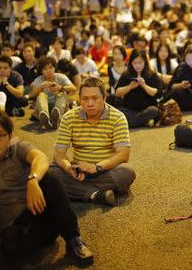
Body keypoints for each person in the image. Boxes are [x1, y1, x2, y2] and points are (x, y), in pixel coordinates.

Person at [0, 111, 93, 269]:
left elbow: (39, 157)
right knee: (13, 252)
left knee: (49, 177)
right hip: (12, 229)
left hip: (39, 217)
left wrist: (33, 180)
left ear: (9, 136)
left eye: (0, 135)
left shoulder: (18, 149)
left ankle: (73, 239)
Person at [52, 77, 136, 206]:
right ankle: (96, 194)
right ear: (79, 99)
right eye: (85, 99)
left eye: (95, 98)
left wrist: (96, 167)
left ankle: (78, 191)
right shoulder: (68, 118)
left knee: (126, 172)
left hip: (105, 170)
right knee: (49, 172)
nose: (90, 103)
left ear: (105, 97)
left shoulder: (118, 117)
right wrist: (67, 167)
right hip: (78, 171)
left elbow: (123, 155)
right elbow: (59, 153)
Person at [115, 50, 163, 128]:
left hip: (146, 110)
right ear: (131, 63)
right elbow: (117, 93)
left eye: (140, 63)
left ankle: (132, 123)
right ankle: (142, 122)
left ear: (145, 62)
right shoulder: (126, 74)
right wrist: (130, 87)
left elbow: (159, 94)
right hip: (130, 110)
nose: (137, 65)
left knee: (154, 111)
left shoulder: (152, 74)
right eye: (135, 63)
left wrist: (144, 86)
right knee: (117, 112)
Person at [29, 57, 76, 129]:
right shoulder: (39, 79)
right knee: (41, 95)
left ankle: (57, 117)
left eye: (50, 68)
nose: (49, 71)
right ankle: (45, 118)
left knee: (61, 93)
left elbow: (73, 88)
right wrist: (40, 87)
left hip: (60, 107)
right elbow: (31, 95)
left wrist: (60, 88)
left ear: (54, 68)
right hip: (44, 108)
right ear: (41, 71)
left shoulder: (61, 77)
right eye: (45, 69)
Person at [167, 44, 192, 112]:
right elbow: (171, 86)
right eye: (188, 59)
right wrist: (180, 85)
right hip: (183, 97)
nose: (190, 62)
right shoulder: (181, 67)